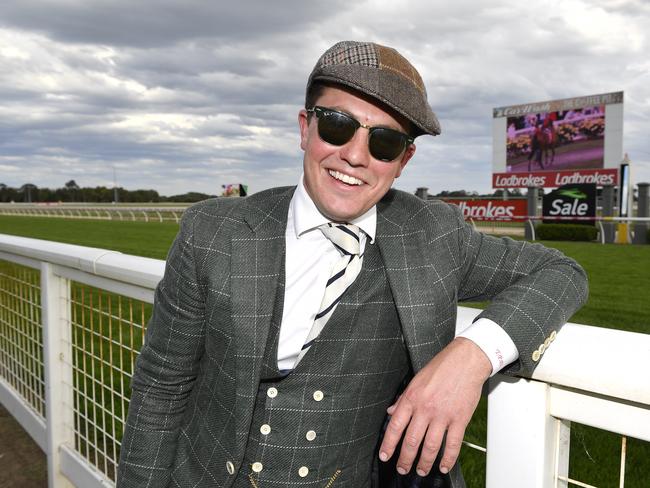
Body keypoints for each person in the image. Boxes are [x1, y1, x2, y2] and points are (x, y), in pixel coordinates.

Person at [117, 41, 588, 488]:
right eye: (338, 125)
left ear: (403, 161)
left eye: (384, 143)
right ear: (305, 128)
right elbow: (162, 388)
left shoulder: (435, 234)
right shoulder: (212, 231)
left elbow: (562, 273)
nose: (356, 156)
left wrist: (472, 355)